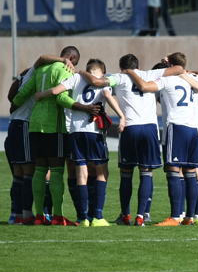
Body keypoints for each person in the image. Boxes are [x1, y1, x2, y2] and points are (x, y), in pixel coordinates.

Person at [81, 54, 184, 225]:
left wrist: (82, 72)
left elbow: (97, 83)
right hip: (149, 128)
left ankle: (125, 215)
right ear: (137, 65)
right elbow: (179, 68)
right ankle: (141, 216)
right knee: (146, 173)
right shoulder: (149, 74)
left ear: (122, 67)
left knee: (126, 174)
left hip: (130, 127)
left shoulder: (119, 78)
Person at [11, 48, 100, 225]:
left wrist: (14, 105)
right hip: (54, 126)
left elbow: (23, 93)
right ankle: (58, 216)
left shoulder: (41, 69)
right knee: (57, 170)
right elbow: (60, 98)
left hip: (35, 124)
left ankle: (39, 216)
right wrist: (85, 108)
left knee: (40, 169)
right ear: (72, 58)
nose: (73, 68)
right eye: (75, 64)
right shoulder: (64, 69)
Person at [35, 59, 126, 226]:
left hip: (76, 132)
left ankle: (83, 218)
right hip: (94, 132)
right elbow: (107, 95)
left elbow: (56, 91)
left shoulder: (76, 78)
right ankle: (98, 217)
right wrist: (121, 115)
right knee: (102, 172)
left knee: (81, 175)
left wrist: (41, 95)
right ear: (101, 73)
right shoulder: (102, 82)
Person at [124, 59, 198, 226]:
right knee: (190, 173)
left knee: (173, 170)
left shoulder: (166, 80)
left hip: (177, 127)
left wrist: (131, 72)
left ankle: (174, 217)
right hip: (193, 128)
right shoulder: (187, 79)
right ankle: (189, 217)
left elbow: (144, 87)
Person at [5, 64, 37, 225]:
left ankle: (16, 215)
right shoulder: (34, 75)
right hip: (24, 125)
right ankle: (26, 214)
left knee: (18, 175)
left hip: (14, 126)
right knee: (28, 172)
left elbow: (11, 102)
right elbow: (43, 58)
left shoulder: (22, 79)